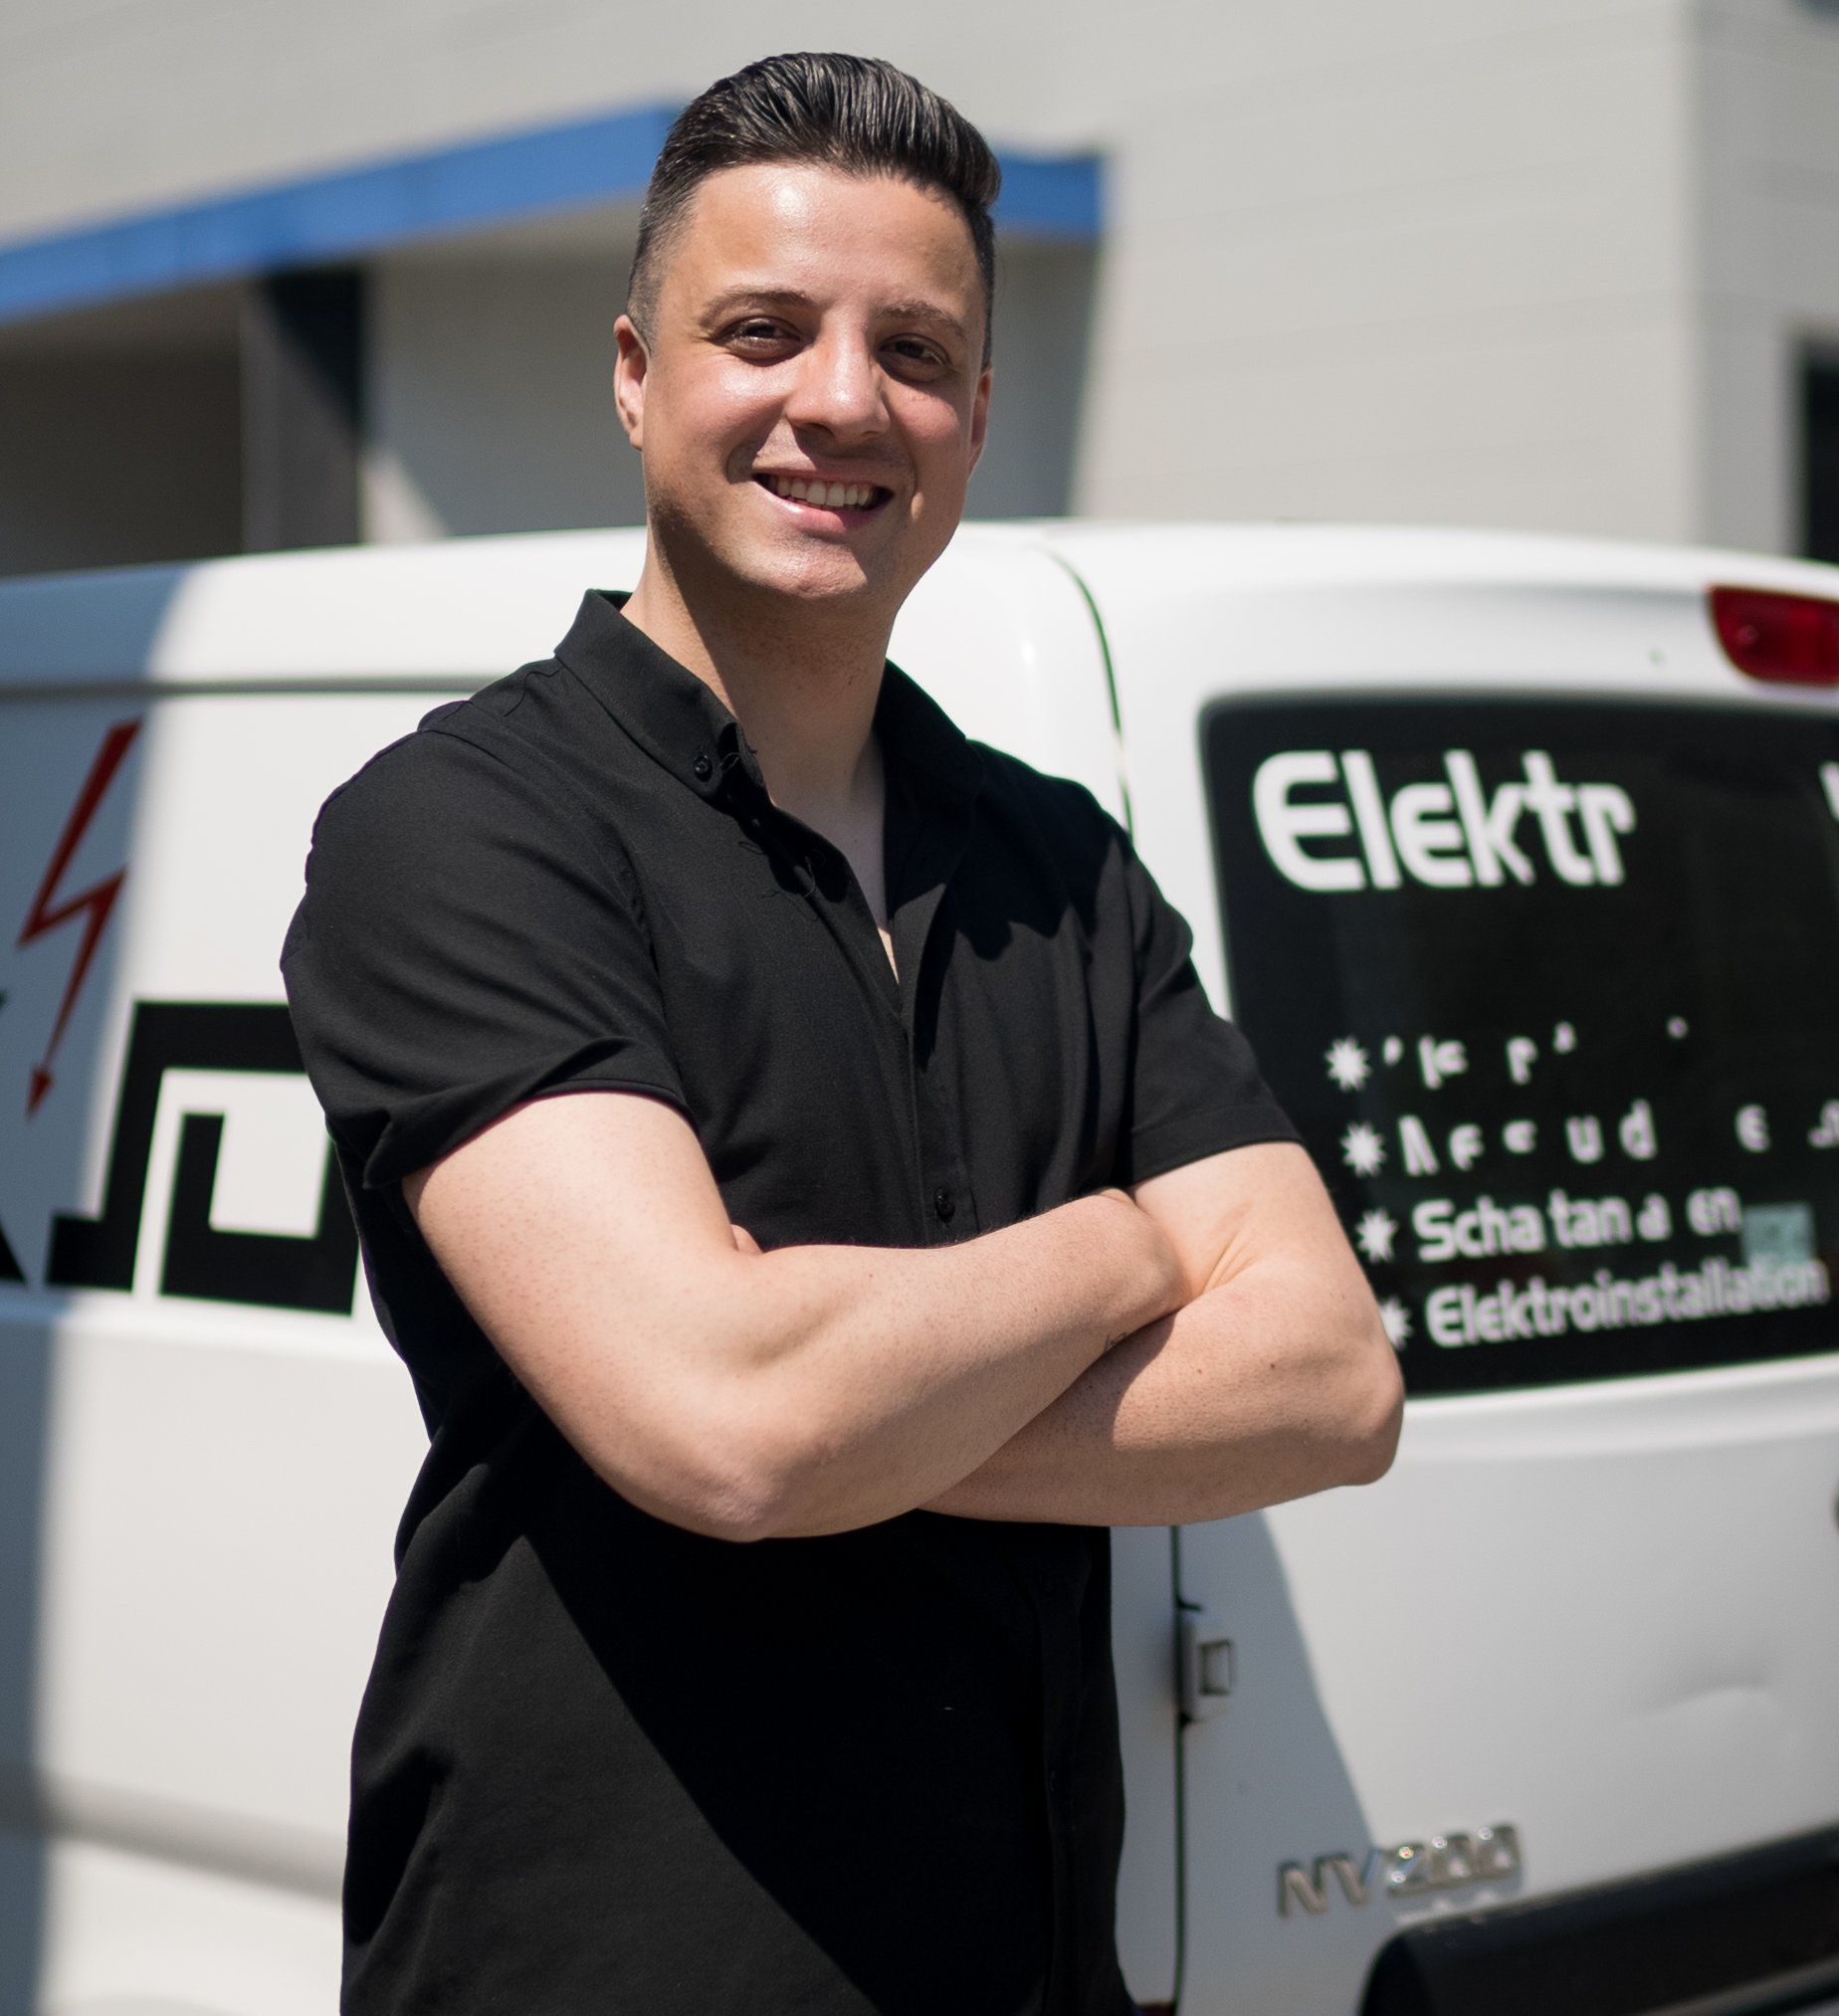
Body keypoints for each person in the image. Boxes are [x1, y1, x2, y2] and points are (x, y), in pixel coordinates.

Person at [280, 50, 1403, 2016]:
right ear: (635, 372)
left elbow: (1329, 1379)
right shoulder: (462, 832)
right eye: (764, 331)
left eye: (916, 349)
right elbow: (729, 1421)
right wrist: (1128, 1248)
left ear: (976, 413)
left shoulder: (1062, 864)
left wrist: (841, 1402)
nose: (843, 399)